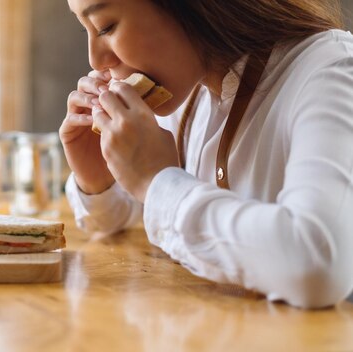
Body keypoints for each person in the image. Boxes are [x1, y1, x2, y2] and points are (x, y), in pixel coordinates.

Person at [60, 0, 353, 309]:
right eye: (86, 29)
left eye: (106, 27)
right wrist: (98, 178)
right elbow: (116, 217)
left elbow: (318, 265)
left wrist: (155, 181)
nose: (96, 60)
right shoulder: (189, 88)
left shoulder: (332, 71)